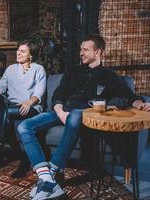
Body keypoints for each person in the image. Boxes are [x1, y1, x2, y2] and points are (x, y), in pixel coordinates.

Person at [17, 34, 150, 199]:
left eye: (86, 50)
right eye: (81, 49)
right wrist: (59, 112)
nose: (81, 53)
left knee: (74, 115)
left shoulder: (109, 75)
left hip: (85, 113)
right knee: (24, 126)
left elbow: (128, 95)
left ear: (98, 52)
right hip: (62, 111)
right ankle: (46, 177)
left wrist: (140, 104)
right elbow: (58, 94)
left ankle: (52, 170)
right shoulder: (73, 70)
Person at [0, 40, 46, 177]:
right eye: (18, 50)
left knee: (4, 112)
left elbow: (39, 93)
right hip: (12, 108)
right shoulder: (11, 69)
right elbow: (0, 88)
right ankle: (4, 151)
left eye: (23, 51)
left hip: (31, 107)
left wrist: (29, 102)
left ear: (31, 55)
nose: (18, 53)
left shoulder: (38, 69)